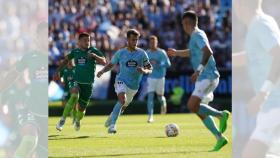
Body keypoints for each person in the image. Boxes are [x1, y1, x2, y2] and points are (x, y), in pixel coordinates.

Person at [167, 11, 230, 151]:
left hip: (207, 76)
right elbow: (193, 52)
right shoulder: (196, 36)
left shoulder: (197, 34)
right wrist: (177, 53)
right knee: (198, 110)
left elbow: (208, 51)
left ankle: (222, 115)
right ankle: (220, 138)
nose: (182, 26)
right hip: (206, 77)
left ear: (187, 23)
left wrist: (198, 70)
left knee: (191, 105)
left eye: (183, 23)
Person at [233, 0, 280, 157]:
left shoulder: (261, 24)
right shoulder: (259, 24)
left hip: (275, 106)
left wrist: (262, 95)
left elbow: (279, 56)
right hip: (270, 107)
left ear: (240, 5)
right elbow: (253, 56)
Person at [0, 22, 48, 158]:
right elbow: (13, 74)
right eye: (44, 35)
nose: (47, 38)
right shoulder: (30, 56)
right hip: (31, 110)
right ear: (37, 37)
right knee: (29, 140)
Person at [97, 29, 152, 134]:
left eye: (136, 40)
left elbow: (150, 68)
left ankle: (112, 117)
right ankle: (113, 126)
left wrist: (144, 70)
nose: (135, 42)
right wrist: (102, 71)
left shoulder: (142, 53)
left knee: (122, 107)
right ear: (127, 40)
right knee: (122, 100)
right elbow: (111, 64)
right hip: (121, 80)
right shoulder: (120, 53)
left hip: (134, 86)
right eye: (132, 40)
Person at [53, 32, 106, 131]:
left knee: (81, 108)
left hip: (88, 84)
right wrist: (57, 72)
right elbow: (65, 60)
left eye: (89, 40)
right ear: (79, 42)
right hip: (76, 80)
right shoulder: (75, 52)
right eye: (85, 40)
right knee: (74, 95)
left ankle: (77, 120)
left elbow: (104, 61)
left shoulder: (93, 50)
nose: (87, 42)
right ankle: (62, 120)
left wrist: (94, 56)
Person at [146, 35, 171, 123]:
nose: (152, 44)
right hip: (151, 77)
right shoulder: (147, 53)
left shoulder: (161, 52)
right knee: (150, 97)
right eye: (151, 42)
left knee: (160, 97)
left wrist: (159, 64)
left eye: (154, 42)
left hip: (160, 77)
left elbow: (168, 64)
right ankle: (150, 116)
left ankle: (163, 104)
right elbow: (144, 64)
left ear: (157, 43)